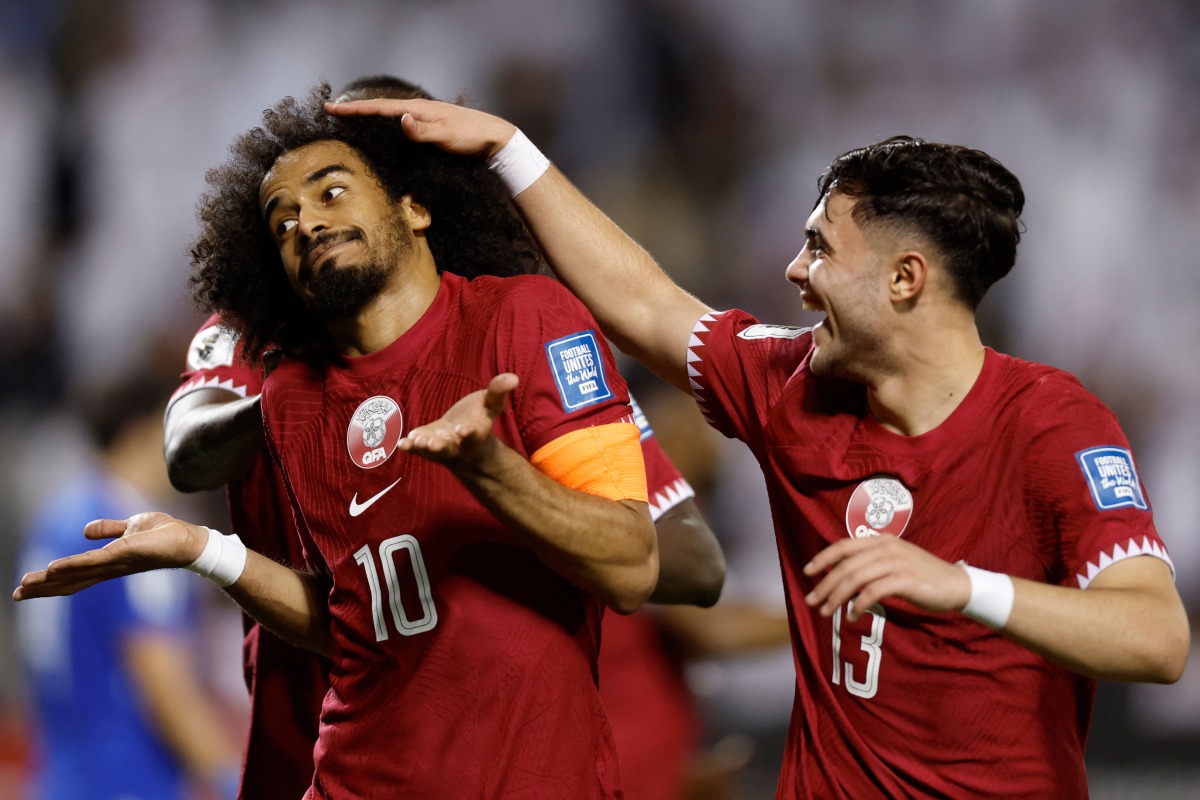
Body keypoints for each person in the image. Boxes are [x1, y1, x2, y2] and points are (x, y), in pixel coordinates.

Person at [325, 98, 1192, 798]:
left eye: (819, 247)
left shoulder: (1050, 422)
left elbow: (1156, 638)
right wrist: (511, 149)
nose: (793, 270)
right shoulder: (793, 386)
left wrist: (962, 586)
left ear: (905, 280)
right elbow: (648, 306)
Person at [14, 82, 669, 799]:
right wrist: (207, 552)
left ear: (414, 208)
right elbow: (351, 618)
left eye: (330, 193)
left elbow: (632, 566)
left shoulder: (529, 319)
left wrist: (492, 470)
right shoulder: (292, 399)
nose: (305, 224)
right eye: (282, 222)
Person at [14, 371, 241, 800]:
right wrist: (234, 781)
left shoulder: (58, 517)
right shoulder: (134, 530)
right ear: (143, 431)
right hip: (128, 783)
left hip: (56, 778)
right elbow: (165, 686)